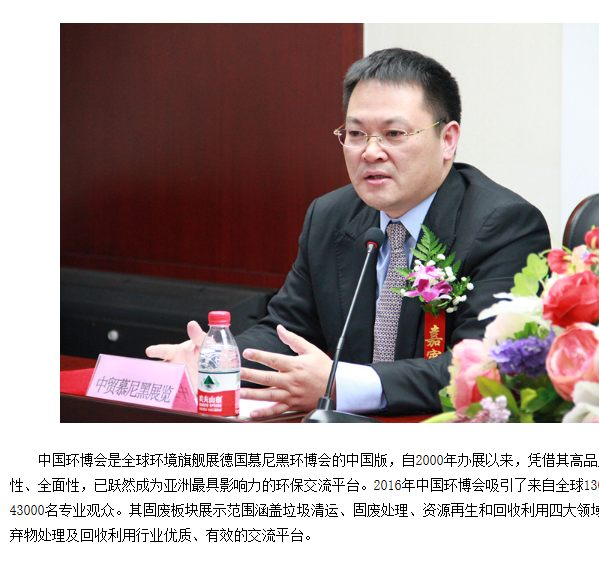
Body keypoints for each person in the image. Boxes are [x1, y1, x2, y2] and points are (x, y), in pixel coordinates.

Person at [146, 48, 550, 417]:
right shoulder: (331, 215)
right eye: (356, 134)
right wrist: (219, 361)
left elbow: (488, 364)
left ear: (447, 140)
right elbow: (286, 329)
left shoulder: (504, 225)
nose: (370, 152)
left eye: (394, 134)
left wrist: (342, 386)